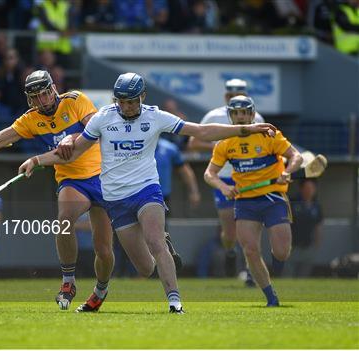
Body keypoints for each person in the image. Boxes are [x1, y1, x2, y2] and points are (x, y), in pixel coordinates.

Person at [19, 72, 277, 313]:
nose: (127, 107)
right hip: (116, 198)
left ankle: (175, 302)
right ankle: (155, 253)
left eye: (131, 102)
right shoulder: (102, 119)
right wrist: (37, 160)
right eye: (121, 102)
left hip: (147, 190)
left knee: (154, 242)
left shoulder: (155, 116)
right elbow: (73, 153)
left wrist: (247, 129)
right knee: (144, 267)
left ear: (141, 98)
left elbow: (201, 131)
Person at [0, 70, 117, 312]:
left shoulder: (75, 100)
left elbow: (95, 131)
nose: (42, 101)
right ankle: (68, 283)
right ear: (29, 99)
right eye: (36, 97)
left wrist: (70, 138)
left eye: (45, 94)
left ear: (54, 88)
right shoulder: (30, 119)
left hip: (101, 175)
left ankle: (101, 290)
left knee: (104, 251)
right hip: (71, 179)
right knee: (64, 221)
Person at [204, 95, 303, 307]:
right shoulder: (225, 143)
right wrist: (223, 186)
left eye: (244, 113)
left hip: (273, 197)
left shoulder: (269, 135)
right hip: (245, 201)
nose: (240, 117)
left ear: (251, 114)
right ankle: (270, 297)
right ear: (231, 116)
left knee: (281, 252)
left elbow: (296, 157)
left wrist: (287, 171)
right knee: (250, 250)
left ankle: (277, 268)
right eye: (236, 113)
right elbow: (209, 174)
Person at [188, 78, 265, 281]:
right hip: (223, 177)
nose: (235, 99)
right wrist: (220, 147)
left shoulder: (256, 116)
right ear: (225, 96)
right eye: (231, 95)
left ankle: (251, 270)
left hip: (250, 177)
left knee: (252, 225)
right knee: (230, 232)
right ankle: (230, 251)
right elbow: (193, 143)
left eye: (240, 94)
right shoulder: (214, 115)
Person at [284, 179, 324, 277]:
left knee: (304, 275)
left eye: (311, 188)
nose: (309, 191)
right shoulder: (293, 202)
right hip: (292, 246)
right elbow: (285, 223)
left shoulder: (316, 206)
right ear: (301, 189)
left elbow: (318, 225)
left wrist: (317, 242)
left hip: (308, 246)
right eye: (307, 188)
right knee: (287, 274)